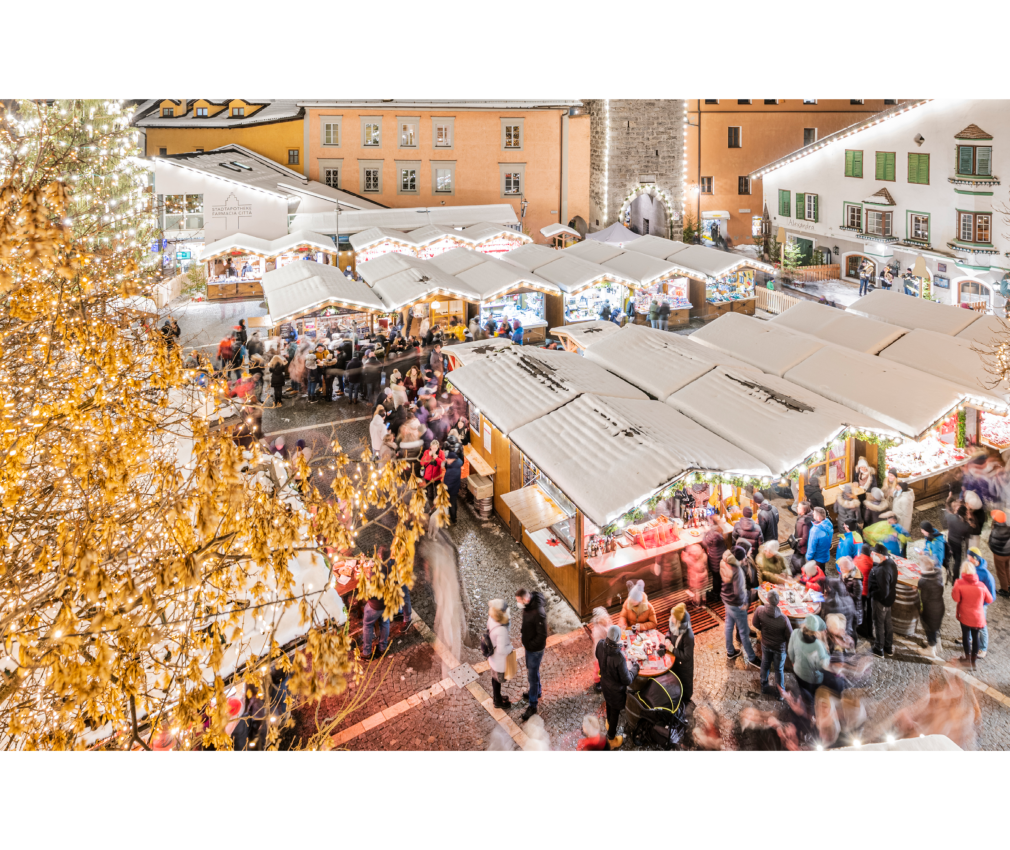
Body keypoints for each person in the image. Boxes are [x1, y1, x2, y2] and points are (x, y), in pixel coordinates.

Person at [595, 623, 638, 750]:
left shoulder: (600, 644)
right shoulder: (619, 658)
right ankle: (611, 738)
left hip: (605, 685)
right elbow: (627, 679)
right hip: (616, 692)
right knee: (614, 712)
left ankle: (608, 723)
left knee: (608, 704)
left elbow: (598, 656)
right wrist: (635, 668)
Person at [721, 551, 759, 668]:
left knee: (728, 626)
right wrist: (744, 603)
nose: (745, 559)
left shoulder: (724, 564)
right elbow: (739, 591)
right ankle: (752, 658)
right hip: (737, 604)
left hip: (727, 600)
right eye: (743, 558)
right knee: (743, 632)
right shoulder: (737, 571)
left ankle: (730, 651)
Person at [753, 589, 792, 698]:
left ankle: (764, 687)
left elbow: (755, 623)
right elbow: (790, 635)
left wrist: (764, 631)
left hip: (766, 644)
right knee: (779, 669)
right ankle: (780, 693)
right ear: (778, 601)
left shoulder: (760, 610)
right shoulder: (784, 619)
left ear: (767, 599)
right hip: (779, 648)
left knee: (765, 664)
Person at [515, 588, 547, 721]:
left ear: (526, 599)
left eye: (519, 601)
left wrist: (530, 645)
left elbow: (542, 635)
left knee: (532, 677)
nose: (518, 604)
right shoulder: (529, 606)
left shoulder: (538, 613)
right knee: (532, 671)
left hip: (535, 650)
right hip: (530, 648)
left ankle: (533, 705)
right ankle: (537, 691)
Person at [787, 614, 830, 702]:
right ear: (815, 631)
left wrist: (793, 661)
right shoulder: (819, 645)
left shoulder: (795, 632)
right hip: (813, 679)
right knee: (813, 697)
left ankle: (804, 702)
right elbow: (820, 667)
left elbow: (790, 651)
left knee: (803, 691)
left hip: (798, 672)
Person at [868, 543, 898, 658]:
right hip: (890, 599)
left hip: (881, 601)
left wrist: (872, 594)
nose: (872, 555)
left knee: (879, 624)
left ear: (879, 555)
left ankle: (878, 648)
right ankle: (888, 647)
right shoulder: (891, 562)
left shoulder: (882, 570)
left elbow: (883, 592)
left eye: (874, 554)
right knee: (887, 622)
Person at [966, 548, 995, 659]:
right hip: (969, 602)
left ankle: (983, 648)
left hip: (979, 606)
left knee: (981, 627)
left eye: (970, 558)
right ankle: (968, 638)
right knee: (967, 621)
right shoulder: (970, 567)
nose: (968, 559)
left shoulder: (987, 576)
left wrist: (980, 603)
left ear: (975, 559)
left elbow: (991, 596)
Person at [486, 600, 514, 709]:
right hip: (499, 661)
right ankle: (498, 701)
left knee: (495, 679)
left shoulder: (491, 618)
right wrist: (510, 648)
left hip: (493, 658)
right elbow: (502, 649)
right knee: (498, 679)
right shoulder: (501, 630)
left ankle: (497, 697)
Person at [665, 603, 695, 704]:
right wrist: (667, 639)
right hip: (675, 661)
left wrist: (671, 649)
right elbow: (669, 631)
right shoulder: (674, 624)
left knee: (683, 688)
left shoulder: (688, 636)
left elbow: (687, 656)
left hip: (683, 667)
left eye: (673, 616)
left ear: (678, 620)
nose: (671, 618)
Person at [918, 558, 945, 658]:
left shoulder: (925, 582)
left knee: (930, 628)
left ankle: (931, 649)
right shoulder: (938, 576)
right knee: (934, 628)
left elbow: (923, 598)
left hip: (930, 609)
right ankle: (933, 643)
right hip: (939, 606)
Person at [821, 576, 857, 645]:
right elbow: (855, 619)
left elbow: (825, 621)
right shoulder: (849, 599)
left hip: (836, 637)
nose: (827, 588)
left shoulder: (830, 602)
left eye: (828, 587)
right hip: (848, 633)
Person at [944, 503, 973, 581]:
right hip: (958, 543)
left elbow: (946, 515)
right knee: (958, 560)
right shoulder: (966, 525)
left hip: (950, 539)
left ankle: (948, 573)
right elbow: (968, 535)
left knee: (950, 556)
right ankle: (955, 578)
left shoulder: (950, 517)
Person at [703, 516, 727, 603]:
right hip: (722, 556)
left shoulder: (712, 533)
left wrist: (705, 532)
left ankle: (716, 594)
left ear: (712, 522)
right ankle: (721, 592)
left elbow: (705, 543)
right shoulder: (721, 529)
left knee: (716, 577)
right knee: (720, 576)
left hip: (714, 558)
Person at [854, 543, 874, 641]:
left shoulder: (857, 560)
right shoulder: (871, 561)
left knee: (861, 610)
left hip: (861, 591)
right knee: (869, 611)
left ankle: (862, 629)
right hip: (869, 590)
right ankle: (870, 631)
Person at [988, 509, 1010, 598]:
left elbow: (991, 543)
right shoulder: (1008, 527)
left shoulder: (995, 531)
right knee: (1007, 568)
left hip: (999, 555)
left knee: (1001, 572)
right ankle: (1009, 584)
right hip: (1008, 553)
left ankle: (1005, 590)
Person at [791, 501, 813, 576]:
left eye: (799, 507)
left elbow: (805, 536)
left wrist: (799, 544)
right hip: (800, 544)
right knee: (798, 559)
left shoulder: (805, 522)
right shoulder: (802, 516)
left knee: (796, 559)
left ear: (804, 510)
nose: (797, 508)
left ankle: (801, 574)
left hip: (801, 546)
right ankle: (799, 572)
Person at [892, 483, 914, 548]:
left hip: (902, 522)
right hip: (899, 518)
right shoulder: (900, 494)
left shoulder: (905, 499)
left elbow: (905, 514)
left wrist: (902, 528)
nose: (896, 486)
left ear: (902, 488)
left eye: (898, 486)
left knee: (902, 540)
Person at [443, 448, 462, 523]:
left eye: (448, 459)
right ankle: (455, 517)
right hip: (455, 488)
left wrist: (445, 490)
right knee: (454, 503)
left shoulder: (452, 470)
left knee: (452, 504)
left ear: (452, 459)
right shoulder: (456, 465)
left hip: (451, 490)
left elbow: (449, 482)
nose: (447, 460)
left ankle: (453, 519)